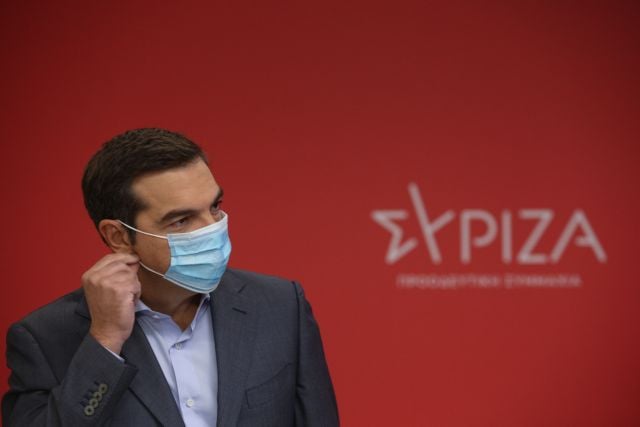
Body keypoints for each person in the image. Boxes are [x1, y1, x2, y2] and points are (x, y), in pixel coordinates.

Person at [2, 128, 339, 426]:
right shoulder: (44, 338)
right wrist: (104, 343)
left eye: (214, 207)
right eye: (181, 220)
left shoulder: (281, 307)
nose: (212, 229)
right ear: (118, 236)